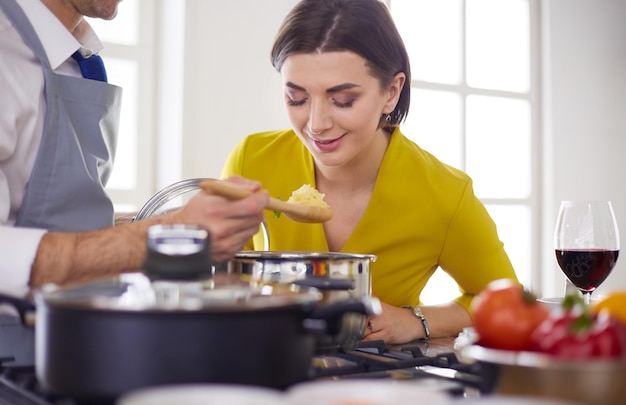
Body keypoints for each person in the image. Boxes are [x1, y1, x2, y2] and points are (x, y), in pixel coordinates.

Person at [221, 0, 519, 344]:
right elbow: (217, 282)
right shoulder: (252, 160)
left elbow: (507, 300)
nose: (316, 125)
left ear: (391, 92)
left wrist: (417, 320)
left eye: (343, 100)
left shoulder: (444, 193)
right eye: (297, 99)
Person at [0, 0, 268, 289]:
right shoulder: (7, 56)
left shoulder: (72, 57)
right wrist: (161, 238)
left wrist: (151, 225)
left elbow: (40, 223)